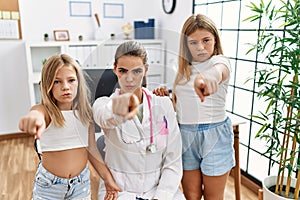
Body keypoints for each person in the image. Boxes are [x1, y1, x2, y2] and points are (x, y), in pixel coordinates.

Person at [153, 14, 234, 200]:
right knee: (191, 195)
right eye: (193, 42)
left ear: (215, 39)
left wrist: (207, 78)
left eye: (206, 40)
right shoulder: (182, 69)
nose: (201, 47)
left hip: (214, 134)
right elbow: (177, 106)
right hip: (185, 134)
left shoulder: (219, 62)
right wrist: (166, 99)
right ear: (186, 45)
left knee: (213, 197)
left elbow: (217, 72)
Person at [18, 54, 121, 200]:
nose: (65, 87)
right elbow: (37, 114)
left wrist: (107, 178)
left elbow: (91, 149)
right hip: (49, 187)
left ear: (78, 82)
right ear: (48, 85)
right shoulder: (45, 110)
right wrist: (33, 119)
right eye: (57, 82)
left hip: (81, 184)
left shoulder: (86, 114)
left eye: (71, 80)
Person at [93, 41, 185, 200]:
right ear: (115, 69)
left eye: (136, 71)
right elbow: (105, 118)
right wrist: (122, 107)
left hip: (157, 189)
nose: (130, 78)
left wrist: (161, 196)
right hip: (120, 191)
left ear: (146, 69)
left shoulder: (163, 105)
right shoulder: (103, 104)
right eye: (123, 71)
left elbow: (173, 161)